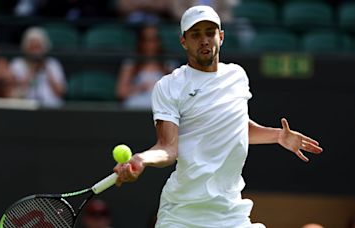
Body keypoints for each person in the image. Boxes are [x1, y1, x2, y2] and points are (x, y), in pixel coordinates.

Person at [114, 5, 323, 227]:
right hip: (183, 214)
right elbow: (168, 147)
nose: (204, 40)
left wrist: (278, 136)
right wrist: (142, 159)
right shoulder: (169, 86)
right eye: (195, 34)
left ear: (221, 37)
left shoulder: (237, 76)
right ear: (183, 41)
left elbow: (236, 125)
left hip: (230, 213)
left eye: (210, 32)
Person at [116, 25, 176, 109]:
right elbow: (121, 92)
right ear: (141, 42)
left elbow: (177, 92)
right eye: (147, 40)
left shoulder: (168, 64)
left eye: (154, 40)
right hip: (136, 108)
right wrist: (139, 88)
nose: (151, 45)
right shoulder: (131, 64)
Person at [10, 27, 66, 107]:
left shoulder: (53, 64)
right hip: (26, 107)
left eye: (38, 47)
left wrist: (46, 69)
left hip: (51, 108)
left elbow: (60, 92)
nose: (36, 52)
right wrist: (31, 70)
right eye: (33, 48)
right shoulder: (17, 64)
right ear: (26, 48)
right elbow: (15, 93)